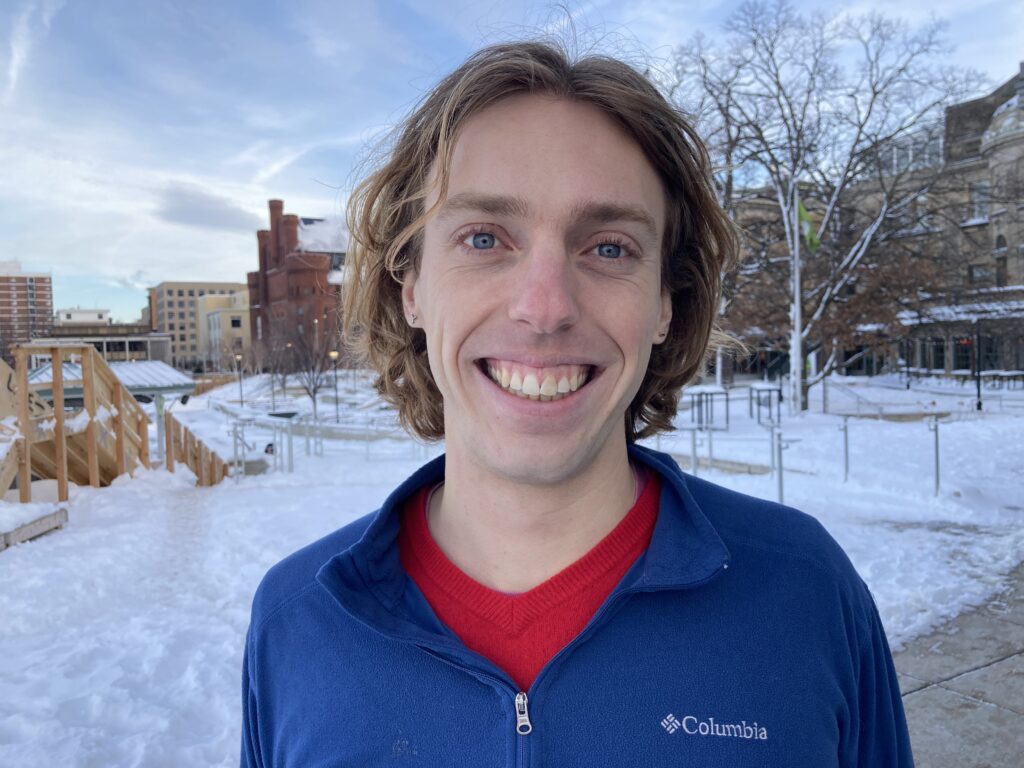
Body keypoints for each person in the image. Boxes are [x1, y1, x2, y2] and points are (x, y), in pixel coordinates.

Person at [240, 41, 914, 767]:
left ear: (664, 302)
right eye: (483, 237)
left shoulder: (805, 593)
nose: (545, 307)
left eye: (611, 248)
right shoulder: (298, 623)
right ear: (412, 287)